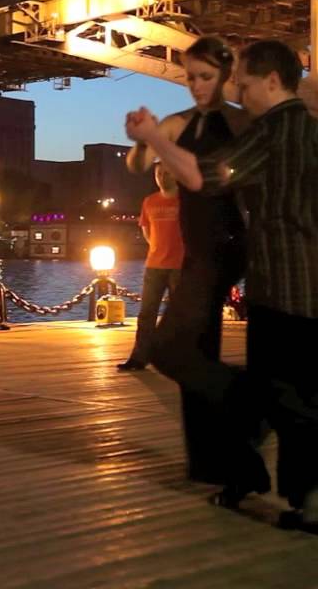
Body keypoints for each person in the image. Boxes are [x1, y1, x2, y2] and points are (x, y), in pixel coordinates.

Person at [127, 39, 318, 536]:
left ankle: (275, 464)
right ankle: (310, 498)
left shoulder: (271, 133)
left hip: (284, 287)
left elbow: (204, 176)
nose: (240, 93)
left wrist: (156, 139)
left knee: (276, 393)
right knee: (305, 393)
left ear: (271, 81)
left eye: (245, 84)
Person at [125, 35, 250, 484]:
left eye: (206, 77)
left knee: (170, 347)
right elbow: (139, 165)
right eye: (191, 77)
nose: (197, 86)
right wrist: (142, 140)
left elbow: (202, 178)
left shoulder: (238, 124)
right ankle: (207, 461)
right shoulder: (180, 122)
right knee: (198, 351)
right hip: (197, 249)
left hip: (227, 243)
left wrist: (156, 138)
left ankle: (250, 401)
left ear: (225, 76)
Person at [118, 164, 184, 370]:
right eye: (158, 174)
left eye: (167, 172)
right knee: (147, 312)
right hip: (154, 265)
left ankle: (180, 357)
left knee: (178, 313)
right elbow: (146, 231)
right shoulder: (149, 202)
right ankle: (139, 357)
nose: (162, 177)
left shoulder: (187, 201)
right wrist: (158, 247)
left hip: (181, 265)